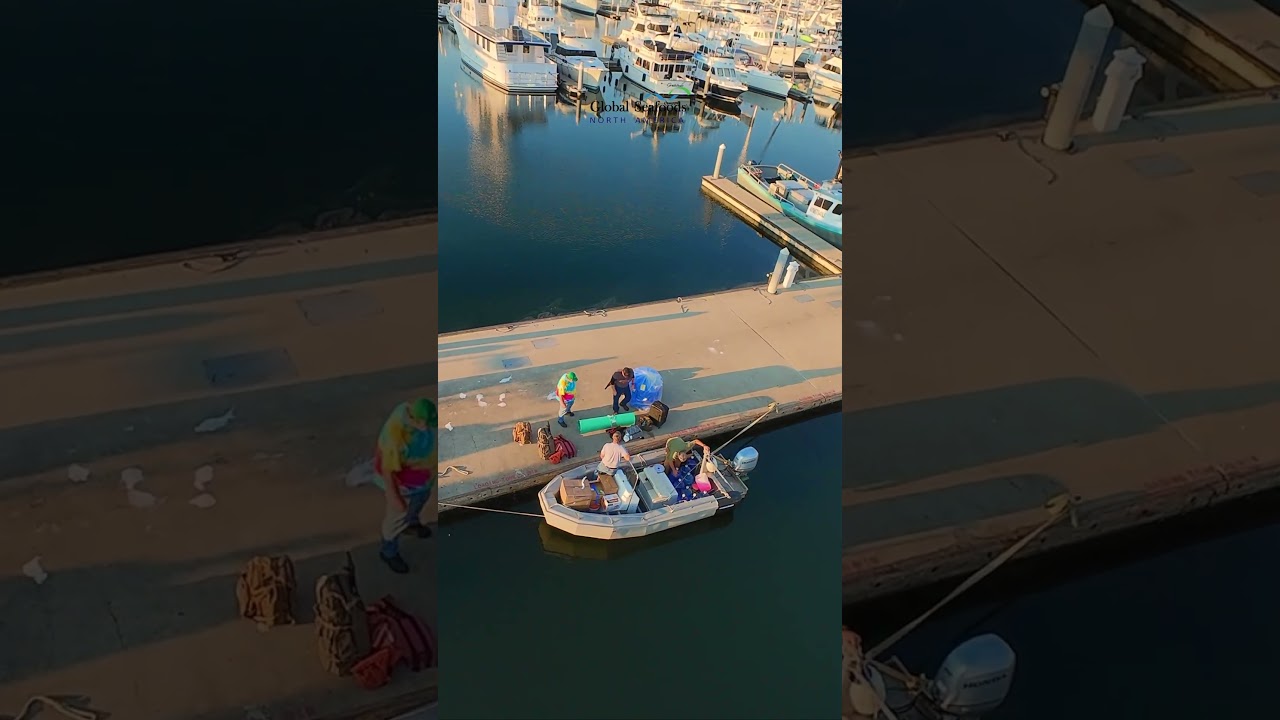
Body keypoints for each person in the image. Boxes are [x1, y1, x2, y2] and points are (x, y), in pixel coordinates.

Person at [375, 398, 437, 574]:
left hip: (421, 480)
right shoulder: (396, 439)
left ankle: (411, 523)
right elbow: (388, 471)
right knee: (395, 518)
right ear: (419, 421)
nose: (429, 428)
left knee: (419, 502)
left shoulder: (406, 409)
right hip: (403, 485)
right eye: (427, 424)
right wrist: (395, 497)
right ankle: (388, 551)